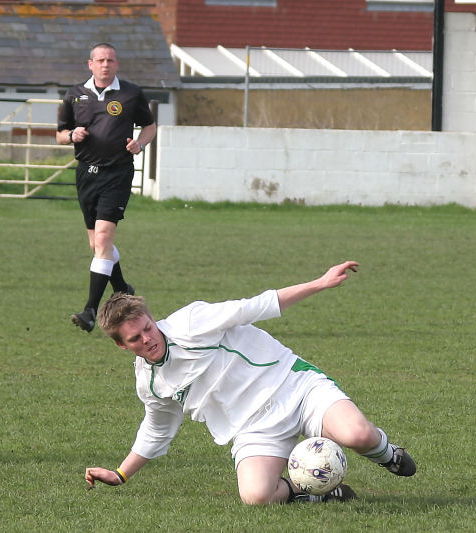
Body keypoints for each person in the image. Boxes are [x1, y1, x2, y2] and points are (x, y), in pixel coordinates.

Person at [84, 261, 416, 504]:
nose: (147, 339)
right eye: (135, 339)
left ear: (152, 319)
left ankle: (386, 453)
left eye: (147, 328)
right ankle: (315, 493)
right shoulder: (150, 383)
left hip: (292, 385)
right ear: (121, 346)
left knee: (358, 435)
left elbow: (254, 307)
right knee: (256, 497)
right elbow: (157, 430)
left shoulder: (191, 323)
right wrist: (121, 473)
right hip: (252, 428)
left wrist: (320, 282)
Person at [57, 42, 157, 332]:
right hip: (86, 174)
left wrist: (140, 142)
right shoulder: (74, 95)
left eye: (110, 60)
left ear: (117, 64)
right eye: (100, 60)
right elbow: (59, 135)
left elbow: (149, 126)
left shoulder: (131, 93)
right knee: (97, 245)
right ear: (90, 64)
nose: (105, 64)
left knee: (102, 240)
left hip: (118, 173)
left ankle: (90, 310)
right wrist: (71, 135)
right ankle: (123, 287)